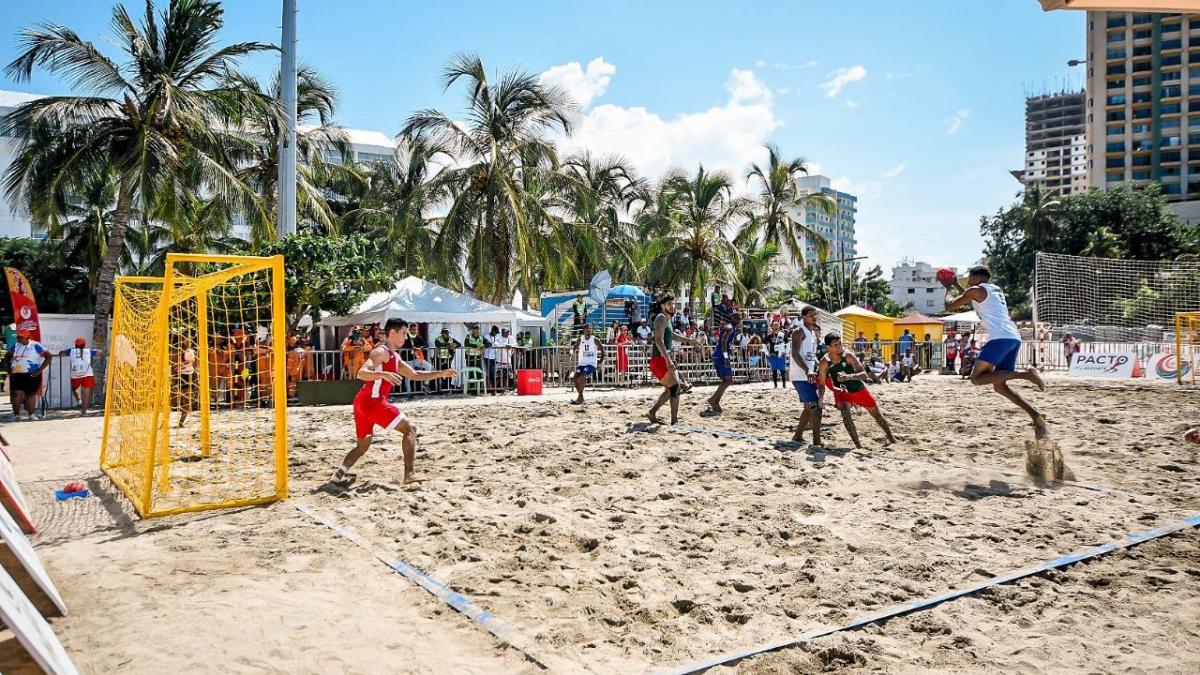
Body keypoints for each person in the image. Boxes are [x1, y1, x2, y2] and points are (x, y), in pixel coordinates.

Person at [330, 318, 457, 488]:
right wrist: (383, 375)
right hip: (372, 402)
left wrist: (441, 373)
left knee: (363, 445)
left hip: (362, 401)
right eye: (404, 333)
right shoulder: (380, 352)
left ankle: (338, 475)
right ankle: (409, 475)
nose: (406, 337)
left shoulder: (394, 356)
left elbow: (414, 375)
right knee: (410, 428)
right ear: (392, 333)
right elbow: (361, 373)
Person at [942, 265, 1047, 437]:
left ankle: (1026, 374)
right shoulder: (994, 289)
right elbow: (970, 295)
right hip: (1013, 337)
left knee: (976, 379)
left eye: (969, 277)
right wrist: (955, 285)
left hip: (999, 338)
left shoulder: (975, 290)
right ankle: (1035, 415)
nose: (967, 281)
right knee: (1000, 386)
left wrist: (947, 289)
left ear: (977, 278)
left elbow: (950, 306)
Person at [819, 334, 896, 448]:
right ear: (828, 347)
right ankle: (858, 446)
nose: (839, 346)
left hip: (858, 389)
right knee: (845, 414)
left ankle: (891, 438)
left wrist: (849, 376)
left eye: (840, 343)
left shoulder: (848, 355)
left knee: (876, 414)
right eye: (836, 345)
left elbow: (864, 374)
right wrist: (821, 398)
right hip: (842, 392)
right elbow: (821, 384)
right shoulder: (824, 361)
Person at [646, 295, 705, 425]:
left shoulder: (668, 319)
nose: (672, 306)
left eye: (673, 304)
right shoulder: (661, 318)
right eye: (669, 304)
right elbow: (658, 340)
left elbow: (671, 335)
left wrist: (689, 340)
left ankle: (652, 412)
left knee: (670, 390)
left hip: (662, 359)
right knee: (675, 388)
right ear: (662, 306)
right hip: (659, 360)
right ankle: (674, 421)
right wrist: (668, 360)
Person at [789, 307, 823, 446]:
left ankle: (797, 436)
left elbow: (811, 356)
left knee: (809, 408)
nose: (813, 317)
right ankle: (817, 441)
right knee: (816, 406)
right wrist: (807, 370)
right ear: (803, 317)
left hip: (808, 374)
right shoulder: (799, 331)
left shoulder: (812, 333)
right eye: (810, 315)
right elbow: (794, 353)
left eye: (815, 314)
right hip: (800, 375)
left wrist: (819, 366)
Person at [9, 330, 50, 420]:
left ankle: (31, 415)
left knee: (31, 395)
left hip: (31, 374)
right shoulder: (16, 345)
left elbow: (49, 356)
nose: (19, 339)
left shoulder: (36, 345)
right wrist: (9, 368)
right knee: (16, 394)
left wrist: (39, 371)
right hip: (17, 374)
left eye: (21, 337)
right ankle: (17, 415)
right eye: (18, 337)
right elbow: (8, 355)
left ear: (28, 337)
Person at [704, 313, 739, 415]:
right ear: (732, 318)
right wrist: (726, 357)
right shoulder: (730, 327)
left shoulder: (729, 327)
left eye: (739, 318)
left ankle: (715, 402)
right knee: (728, 380)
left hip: (718, 355)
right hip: (721, 356)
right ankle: (713, 399)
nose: (738, 320)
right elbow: (723, 342)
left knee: (726, 380)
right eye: (736, 318)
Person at [63, 337, 100, 415]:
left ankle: (79, 400)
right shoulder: (88, 351)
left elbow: (61, 353)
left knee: (74, 388)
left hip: (76, 374)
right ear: (84, 345)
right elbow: (99, 352)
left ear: (75, 344)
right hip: (88, 374)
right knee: (86, 393)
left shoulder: (71, 351)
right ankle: (84, 412)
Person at [571, 323, 603, 404]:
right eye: (586, 329)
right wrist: (571, 352)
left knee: (581, 376)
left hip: (591, 363)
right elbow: (574, 347)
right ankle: (580, 396)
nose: (588, 330)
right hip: (582, 363)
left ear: (591, 330)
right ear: (584, 330)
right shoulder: (580, 339)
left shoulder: (595, 339)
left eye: (589, 329)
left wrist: (600, 362)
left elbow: (603, 351)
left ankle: (580, 397)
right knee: (575, 378)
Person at [174, 337, 198, 426]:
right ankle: (163, 421)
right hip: (180, 375)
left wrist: (196, 374)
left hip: (190, 375)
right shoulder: (178, 351)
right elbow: (175, 364)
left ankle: (181, 422)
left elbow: (195, 364)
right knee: (174, 399)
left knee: (187, 401)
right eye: (185, 339)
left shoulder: (193, 351)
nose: (188, 341)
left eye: (189, 340)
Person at [766, 321, 789, 388]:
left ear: (779, 327)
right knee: (774, 371)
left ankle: (784, 385)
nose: (776, 327)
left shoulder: (782, 335)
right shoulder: (769, 336)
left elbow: (787, 343)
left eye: (777, 326)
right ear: (772, 327)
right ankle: (775, 385)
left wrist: (786, 352)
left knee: (782, 371)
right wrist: (767, 353)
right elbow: (763, 344)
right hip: (773, 355)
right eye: (774, 326)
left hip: (781, 355)